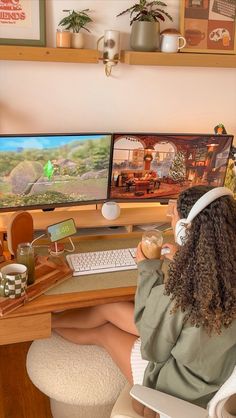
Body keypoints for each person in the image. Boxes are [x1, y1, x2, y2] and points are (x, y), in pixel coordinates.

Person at [52, 185, 236, 417]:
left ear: (184, 230)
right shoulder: (224, 270)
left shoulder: (186, 292)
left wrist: (147, 268)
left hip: (180, 387)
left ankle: (51, 325)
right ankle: (54, 322)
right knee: (108, 308)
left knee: (105, 331)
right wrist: (186, 255)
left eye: (174, 216)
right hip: (213, 372)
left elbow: (154, 347)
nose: (170, 219)